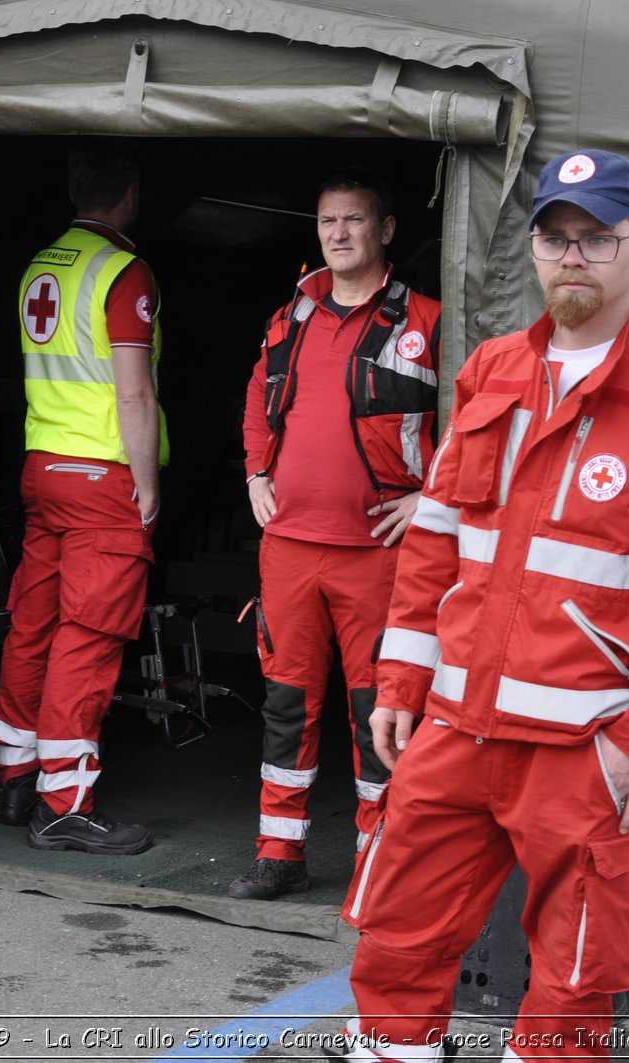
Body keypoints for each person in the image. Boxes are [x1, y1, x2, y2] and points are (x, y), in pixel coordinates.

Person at [330, 149, 629, 1061]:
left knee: (572, 978)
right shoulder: (491, 370)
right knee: (398, 932)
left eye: (598, 238)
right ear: (533, 249)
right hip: (456, 725)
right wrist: (403, 678)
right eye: (556, 237)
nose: (574, 256)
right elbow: (438, 539)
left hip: (582, 749)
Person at [229, 168, 442, 901]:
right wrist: (256, 473)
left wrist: (432, 499)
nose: (340, 234)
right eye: (328, 222)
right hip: (288, 547)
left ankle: (378, 862)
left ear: (386, 230)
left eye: (354, 220)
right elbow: (259, 403)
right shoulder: (291, 315)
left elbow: (475, 427)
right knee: (287, 703)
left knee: (375, 711)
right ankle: (277, 851)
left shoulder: (429, 322)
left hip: (380, 556)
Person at [0, 146, 166, 856]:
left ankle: (17, 775)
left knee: (33, 623)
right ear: (130, 191)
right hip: (100, 475)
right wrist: (146, 480)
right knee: (87, 636)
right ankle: (66, 803)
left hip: (43, 468)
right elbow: (133, 388)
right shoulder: (125, 270)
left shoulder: (41, 264)